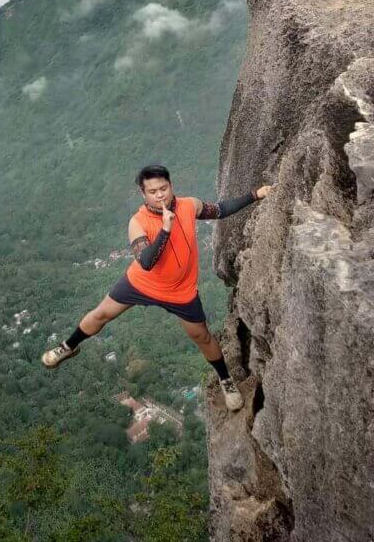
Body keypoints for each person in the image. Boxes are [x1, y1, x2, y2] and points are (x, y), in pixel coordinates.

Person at [41, 164, 273, 411]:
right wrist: (165, 229)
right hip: (141, 283)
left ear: (171, 186)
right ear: (144, 195)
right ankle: (67, 347)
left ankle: (225, 379)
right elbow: (146, 262)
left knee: (202, 336)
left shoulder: (189, 205)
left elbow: (219, 210)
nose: (160, 194)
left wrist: (254, 195)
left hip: (181, 291)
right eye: (153, 191)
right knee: (101, 314)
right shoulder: (137, 222)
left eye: (164, 188)